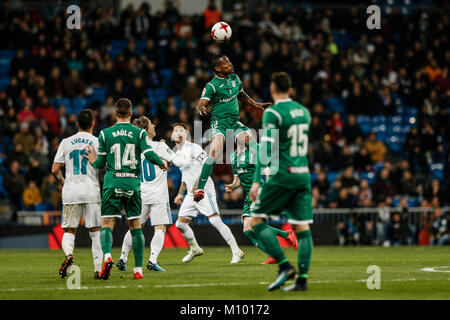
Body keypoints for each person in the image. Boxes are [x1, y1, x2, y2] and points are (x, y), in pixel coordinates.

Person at [83, 98, 167, 280]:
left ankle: (107, 256)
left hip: (112, 184)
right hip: (132, 185)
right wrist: (161, 163)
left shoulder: (105, 134)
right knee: (136, 227)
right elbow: (149, 153)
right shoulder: (139, 133)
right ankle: (138, 270)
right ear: (131, 113)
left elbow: (101, 164)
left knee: (107, 224)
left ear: (115, 113)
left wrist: (92, 159)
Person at [249, 72, 313, 292]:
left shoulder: (273, 113)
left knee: (255, 222)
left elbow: (266, 149)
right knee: (302, 228)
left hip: (283, 175)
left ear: (273, 89)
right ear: (291, 89)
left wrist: (257, 181)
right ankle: (302, 280)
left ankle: (284, 266)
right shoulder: (304, 112)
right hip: (303, 173)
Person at [193, 55, 271, 203]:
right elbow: (201, 103)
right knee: (214, 152)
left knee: (252, 142)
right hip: (219, 124)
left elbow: (240, 94)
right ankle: (200, 189)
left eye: (229, 61)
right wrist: (201, 107)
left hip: (234, 123)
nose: (231, 64)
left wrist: (254, 104)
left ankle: (267, 172)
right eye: (226, 63)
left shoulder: (235, 78)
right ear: (218, 68)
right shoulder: (212, 85)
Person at [171, 123, 244, 264]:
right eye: (176, 130)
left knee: (214, 220)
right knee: (180, 224)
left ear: (187, 135)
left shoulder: (194, 148)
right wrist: (180, 193)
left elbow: (208, 165)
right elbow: (185, 176)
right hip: (191, 193)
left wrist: (199, 184)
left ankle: (236, 251)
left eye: (182, 130)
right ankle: (195, 249)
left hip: (203, 190)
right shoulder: (177, 153)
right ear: (172, 135)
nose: (178, 133)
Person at [226, 135, 298, 264]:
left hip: (258, 191)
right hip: (248, 195)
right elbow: (237, 180)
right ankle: (282, 241)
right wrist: (232, 185)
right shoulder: (233, 157)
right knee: (247, 231)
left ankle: (284, 239)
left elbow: (267, 171)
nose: (246, 137)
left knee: (253, 225)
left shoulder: (253, 153)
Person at [117, 116, 176, 272]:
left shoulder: (133, 149)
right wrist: (167, 151)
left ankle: (122, 258)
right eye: (151, 125)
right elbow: (178, 161)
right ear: (146, 130)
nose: (154, 125)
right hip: (158, 195)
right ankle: (152, 260)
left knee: (135, 228)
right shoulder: (159, 146)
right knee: (160, 228)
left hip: (140, 194)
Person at [52, 109, 103, 279]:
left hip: (71, 192)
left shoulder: (66, 142)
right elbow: (103, 167)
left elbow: (55, 169)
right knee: (95, 232)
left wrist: (63, 183)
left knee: (69, 230)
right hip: (91, 191)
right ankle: (97, 269)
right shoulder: (97, 142)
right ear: (93, 124)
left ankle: (68, 256)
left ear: (76, 124)